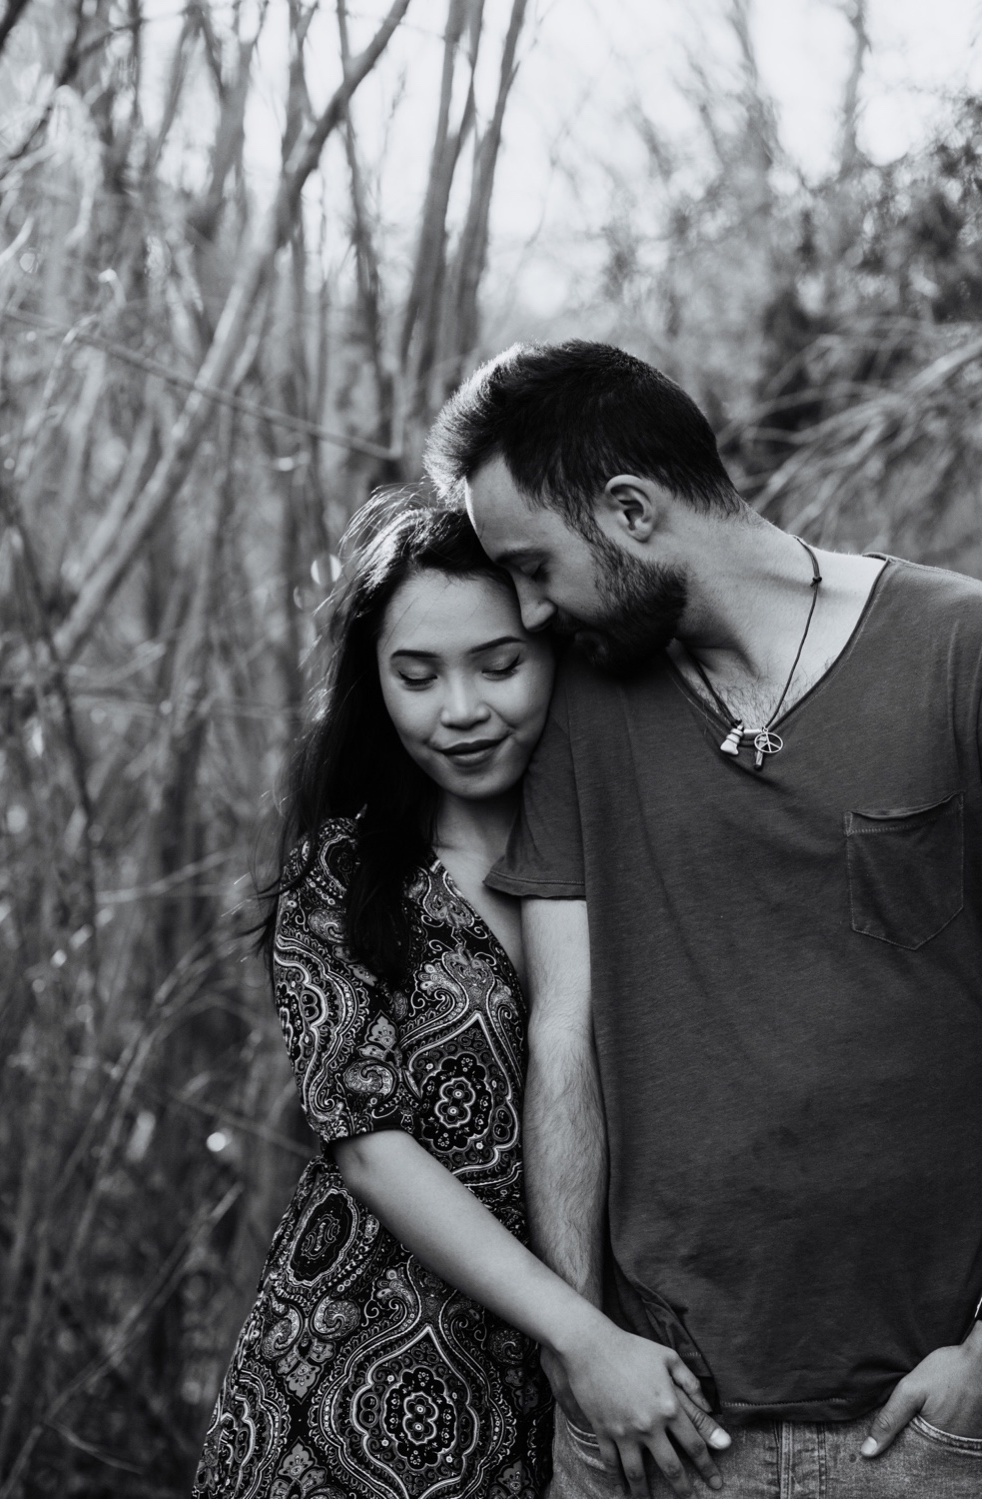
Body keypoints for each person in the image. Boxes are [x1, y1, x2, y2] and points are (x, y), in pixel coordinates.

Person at [424, 339, 982, 1498]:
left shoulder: (953, 650)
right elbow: (561, 1035)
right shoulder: (581, 704)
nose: (527, 608)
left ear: (629, 509)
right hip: (658, 1424)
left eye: (533, 565)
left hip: (927, 1425)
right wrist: (580, 1348)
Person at [194, 491, 725, 1499]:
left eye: (497, 662)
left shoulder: (642, 848)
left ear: (557, 649)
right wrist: (576, 1334)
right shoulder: (346, 872)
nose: (460, 709)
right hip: (365, 1380)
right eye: (416, 674)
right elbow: (367, 1144)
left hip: (644, 1366)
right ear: (373, 685)